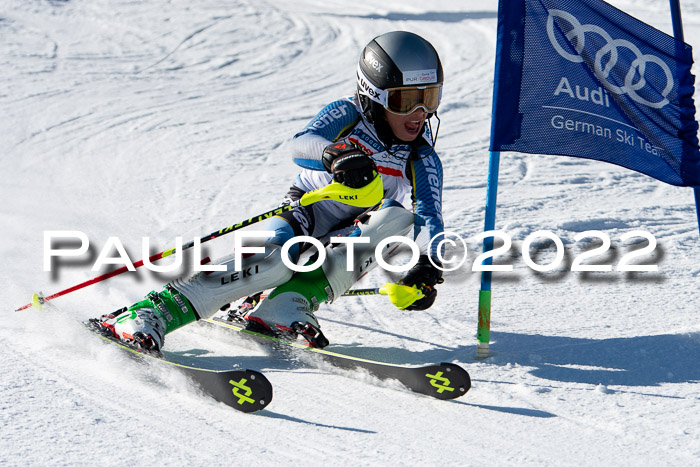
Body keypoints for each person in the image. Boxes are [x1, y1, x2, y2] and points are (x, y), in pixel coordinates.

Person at [95, 30, 446, 351]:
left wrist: (426, 268)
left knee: (397, 221)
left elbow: (430, 217)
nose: (419, 113)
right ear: (373, 95)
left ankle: (285, 303)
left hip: (354, 230)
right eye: (405, 101)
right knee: (274, 263)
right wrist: (334, 154)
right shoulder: (348, 114)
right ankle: (150, 312)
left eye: (429, 98)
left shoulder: (421, 157)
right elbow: (301, 145)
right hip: (306, 212)